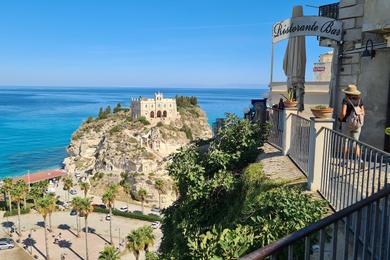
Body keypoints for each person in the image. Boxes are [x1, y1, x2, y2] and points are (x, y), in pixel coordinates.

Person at [338, 84, 365, 160]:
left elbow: (343, 113)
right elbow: (363, 112)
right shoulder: (359, 100)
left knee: (345, 142)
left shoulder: (345, 100)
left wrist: (340, 119)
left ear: (347, 92)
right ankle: (360, 160)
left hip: (347, 124)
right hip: (357, 125)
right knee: (355, 143)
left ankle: (345, 161)